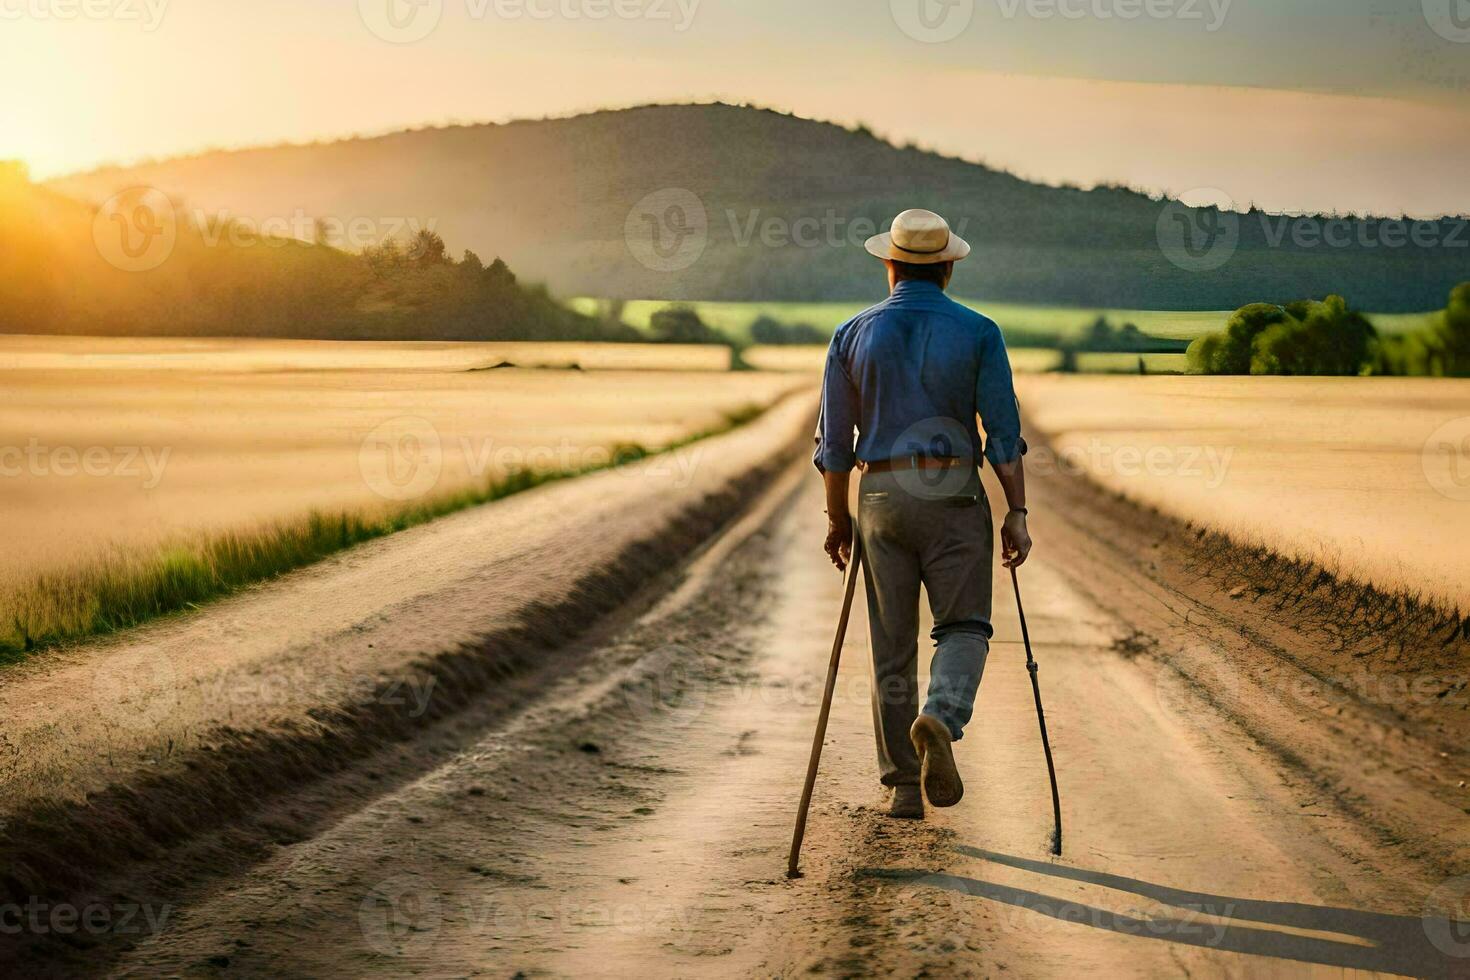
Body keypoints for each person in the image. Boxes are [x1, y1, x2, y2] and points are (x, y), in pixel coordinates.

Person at [813, 208, 1031, 820]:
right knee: (964, 625)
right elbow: (1004, 434)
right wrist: (1016, 510)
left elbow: (834, 447)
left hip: (880, 496)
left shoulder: (850, 334)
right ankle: (939, 716)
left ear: (889, 264)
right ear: (948, 269)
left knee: (890, 644)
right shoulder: (981, 332)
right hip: (954, 492)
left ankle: (905, 787)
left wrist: (838, 521)